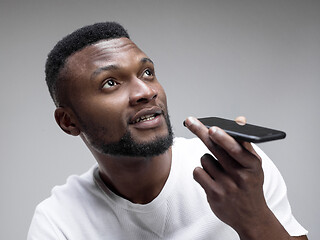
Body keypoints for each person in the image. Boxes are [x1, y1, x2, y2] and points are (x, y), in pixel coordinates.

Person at [28, 22, 308, 240]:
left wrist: (253, 217)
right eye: (110, 83)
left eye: (147, 72)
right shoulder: (59, 221)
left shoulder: (236, 170)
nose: (145, 91)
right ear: (68, 121)